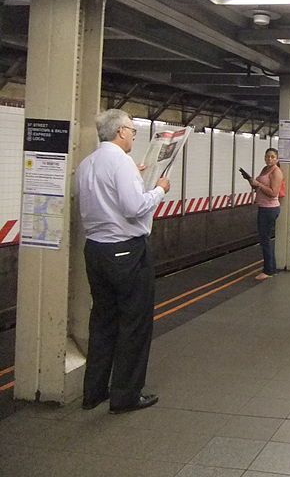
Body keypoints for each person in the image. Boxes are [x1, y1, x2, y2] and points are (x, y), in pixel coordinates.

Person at [76, 109, 170, 414]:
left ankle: (94, 392)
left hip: (95, 250)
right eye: (132, 129)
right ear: (120, 132)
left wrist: (135, 176)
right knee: (134, 323)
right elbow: (133, 207)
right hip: (126, 251)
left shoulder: (87, 163)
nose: (133, 134)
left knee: (102, 321)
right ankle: (125, 396)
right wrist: (159, 190)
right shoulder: (121, 162)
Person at [249, 148, 284, 280]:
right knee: (265, 239)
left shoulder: (276, 172)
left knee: (265, 240)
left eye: (272, 157)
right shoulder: (265, 169)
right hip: (263, 206)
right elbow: (259, 186)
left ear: (277, 159)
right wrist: (252, 182)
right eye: (267, 156)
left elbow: (273, 192)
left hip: (270, 208)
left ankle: (268, 270)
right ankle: (272, 268)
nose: (269, 159)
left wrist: (258, 184)